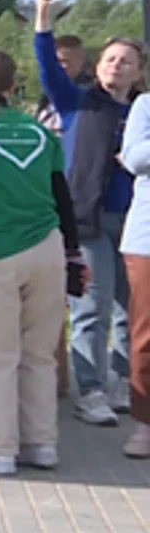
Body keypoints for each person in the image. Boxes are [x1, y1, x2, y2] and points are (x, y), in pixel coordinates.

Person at [0, 49, 86, 473]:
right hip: (47, 246)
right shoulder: (41, 133)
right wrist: (73, 252)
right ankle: (43, 444)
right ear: (13, 86)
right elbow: (62, 193)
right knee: (40, 353)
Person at [34, 0, 145, 426]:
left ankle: (120, 380)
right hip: (89, 218)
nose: (117, 66)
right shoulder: (79, 102)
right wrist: (44, 17)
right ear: (98, 67)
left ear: (139, 73)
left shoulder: (141, 111)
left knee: (132, 306)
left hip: (134, 220)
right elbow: (47, 68)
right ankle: (90, 389)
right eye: (111, 59)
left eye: (126, 61)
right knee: (91, 304)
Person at [123, 92, 150, 458]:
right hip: (147, 240)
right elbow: (133, 158)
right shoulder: (145, 104)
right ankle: (145, 424)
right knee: (146, 335)